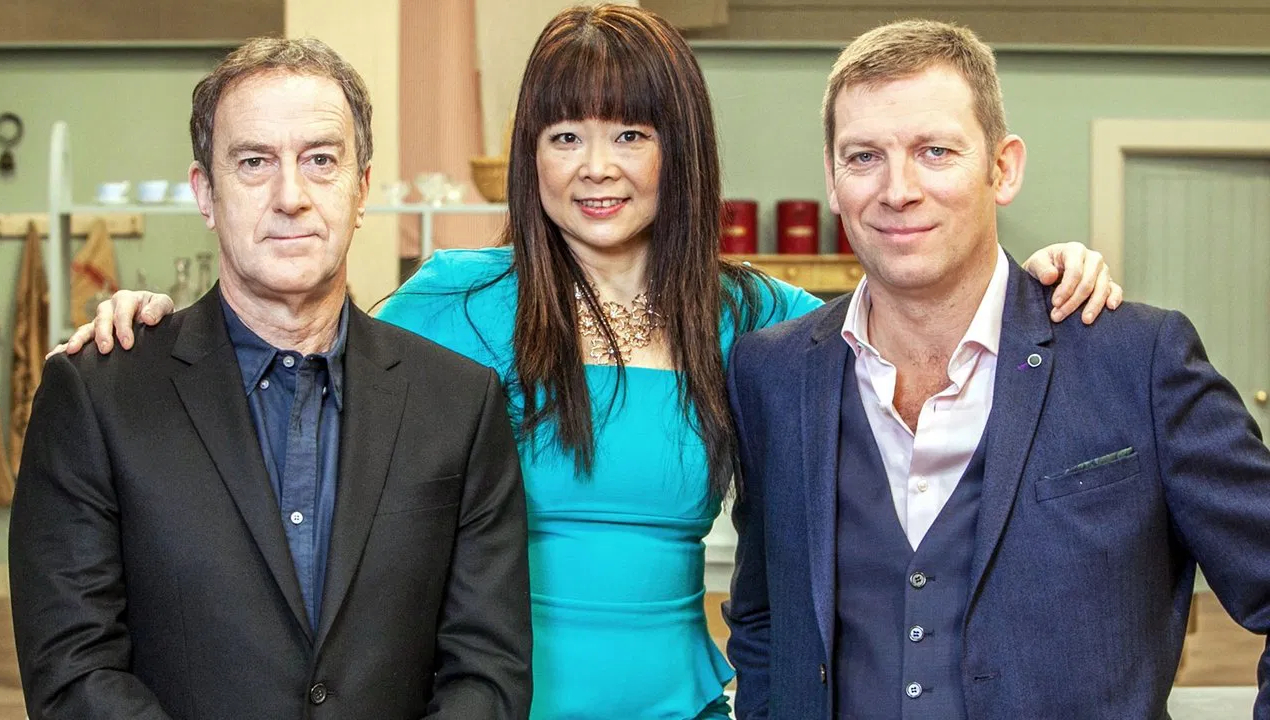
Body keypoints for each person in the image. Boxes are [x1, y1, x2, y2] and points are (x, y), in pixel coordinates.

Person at [59, 7, 1122, 719]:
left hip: (684, 705)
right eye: (564, 136)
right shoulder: (454, 302)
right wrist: (154, 326)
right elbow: (293, 343)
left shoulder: (751, 317)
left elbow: (924, 319)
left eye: (630, 135)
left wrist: (1043, 281)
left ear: (678, 148)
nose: (595, 168)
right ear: (529, 153)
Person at [723, 17, 1270, 720]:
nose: (898, 189)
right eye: (864, 157)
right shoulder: (772, 374)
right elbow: (765, 620)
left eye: (935, 151)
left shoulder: (1137, 359)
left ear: (1003, 168)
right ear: (832, 178)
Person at [10, 37, 531, 720]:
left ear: (361, 189)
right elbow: (72, 671)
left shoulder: (459, 404)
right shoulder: (98, 395)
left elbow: (487, 672)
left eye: (320, 160)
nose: (291, 196)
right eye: (254, 162)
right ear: (206, 193)